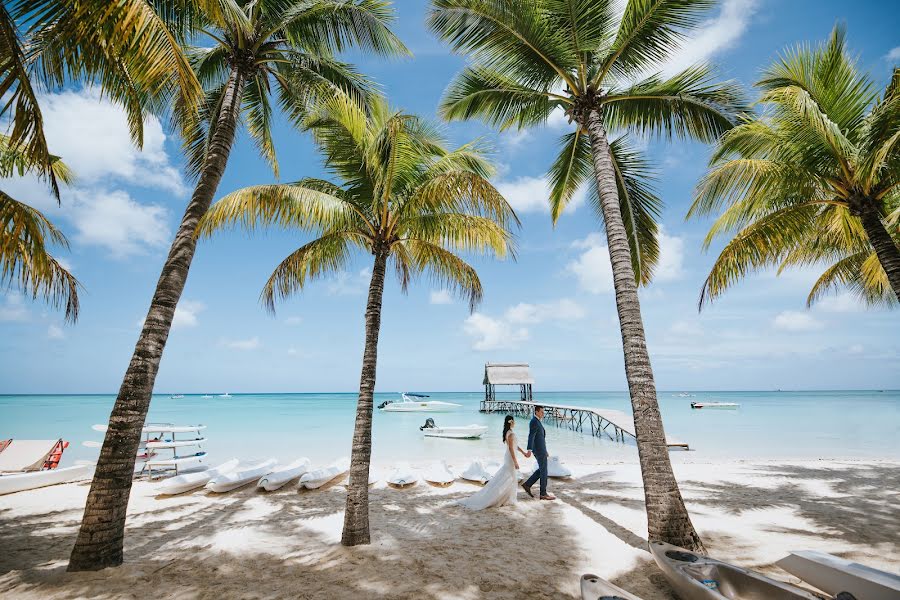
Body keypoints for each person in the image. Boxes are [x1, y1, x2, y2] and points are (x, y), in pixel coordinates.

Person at [458, 415, 531, 510]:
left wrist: (523, 452)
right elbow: (511, 449)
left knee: (510, 477)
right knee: (509, 477)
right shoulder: (510, 434)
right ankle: (501, 497)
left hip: (509, 457)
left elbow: (515, 446)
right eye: (514, 421)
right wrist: (515, 461)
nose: (515, 423)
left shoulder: (509, 432)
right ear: (511, 422)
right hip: (510, 458)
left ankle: (507, 497)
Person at [522, 406, 555, 500]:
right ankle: (543, 494)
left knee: (542, 469)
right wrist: (529, 450)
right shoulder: (534, 421)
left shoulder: (537, 421)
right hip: (539, 450)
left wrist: (545, 450)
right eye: (541, 412)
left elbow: (540, 438)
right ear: (536, 412)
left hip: (541, 450)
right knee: (544, 471)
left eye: (543, 412)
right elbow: (531, 436)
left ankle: (527, 484)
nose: (543, 414)